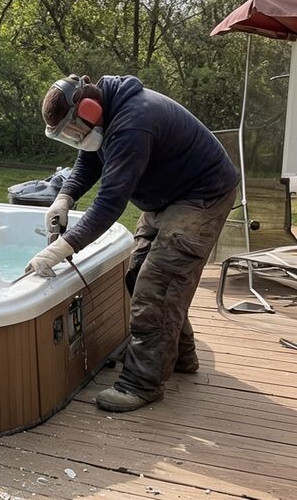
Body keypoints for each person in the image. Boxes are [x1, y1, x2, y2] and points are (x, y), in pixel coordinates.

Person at [26, 74, 239, 412]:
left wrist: (60, 249)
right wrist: (64, 198)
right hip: (167, 198)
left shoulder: (133, 124)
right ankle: (178, 356)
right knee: (138, 274)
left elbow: (110, 203)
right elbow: (89, 159)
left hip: (202, 197)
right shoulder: (108, 114)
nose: (73, 137)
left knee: (158, 285)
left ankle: (141, 384)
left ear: (90, 109)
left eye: (72, 130)